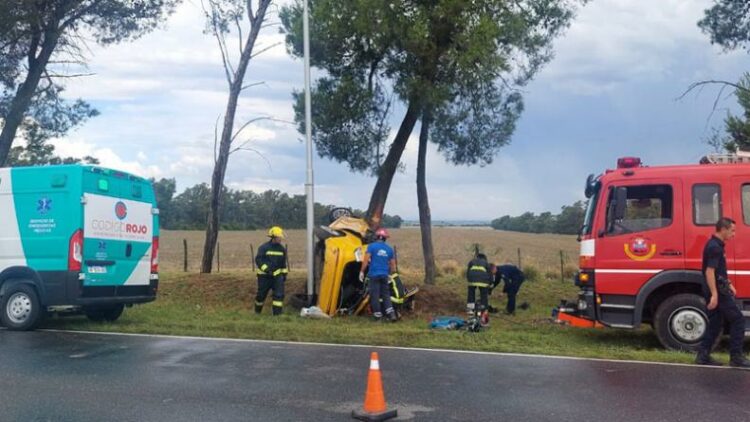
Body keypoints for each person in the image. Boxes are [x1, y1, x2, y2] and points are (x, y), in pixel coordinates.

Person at [695, 217, 750, 368]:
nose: (734, 234)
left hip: (719, 288)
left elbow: (719, 271)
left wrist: (729, 284)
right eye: (732, 231)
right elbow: (709, 272)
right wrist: (714, 295)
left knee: (715, 323)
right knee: (738, 320)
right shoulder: (715, 247)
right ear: (723, 229)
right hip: (718, 291)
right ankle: (736, 357)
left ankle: (702, 356)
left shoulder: (716, 245)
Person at [359, 228, 398, 322]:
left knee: (375, 296)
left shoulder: (371, 246)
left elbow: (365, 260)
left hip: (374, 275)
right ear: (385, 238)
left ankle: (378, 317)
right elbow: (393, 265)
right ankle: (391, 314)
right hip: (385, 275)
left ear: (377, 237)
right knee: (386, 295)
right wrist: (392, 274)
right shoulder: (389, 249)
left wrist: (361, 271)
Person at [254, 226, 288, 316]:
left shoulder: (282, 249)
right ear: (273, 237)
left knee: (279, 295)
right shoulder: (264, 248)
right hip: (264, 276)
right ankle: (257, 312)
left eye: (281, 237)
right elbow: (259, 260)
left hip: (277, 277)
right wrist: (267, 269)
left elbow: (283, 264)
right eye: (279, 237)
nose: (280, 239)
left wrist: (284, 274)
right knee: (261, 295)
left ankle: (277, 315)